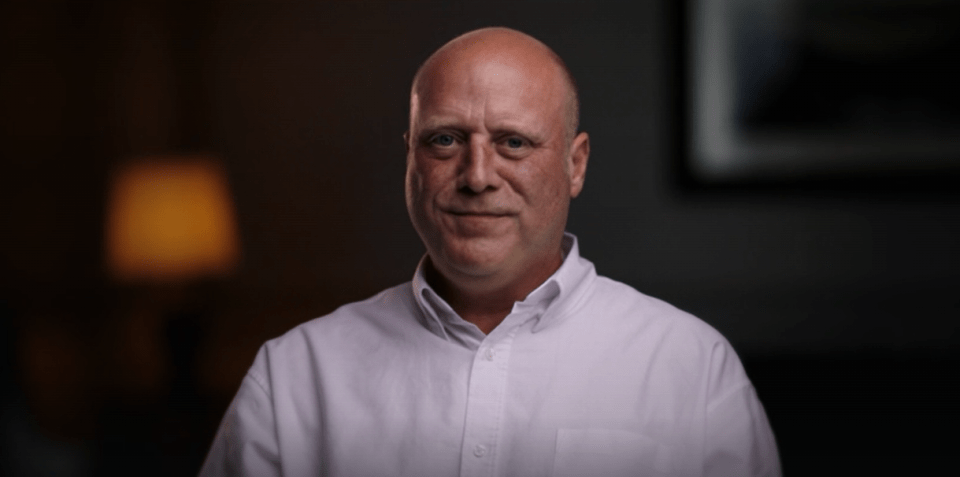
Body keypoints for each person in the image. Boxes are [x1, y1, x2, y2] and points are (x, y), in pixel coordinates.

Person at [199, 27, 781, 477]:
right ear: (410, 159)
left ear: (574, 165)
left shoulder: (690, 367)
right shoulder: (296, 375)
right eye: (445, 139)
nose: (477, 176)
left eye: (513, 142)